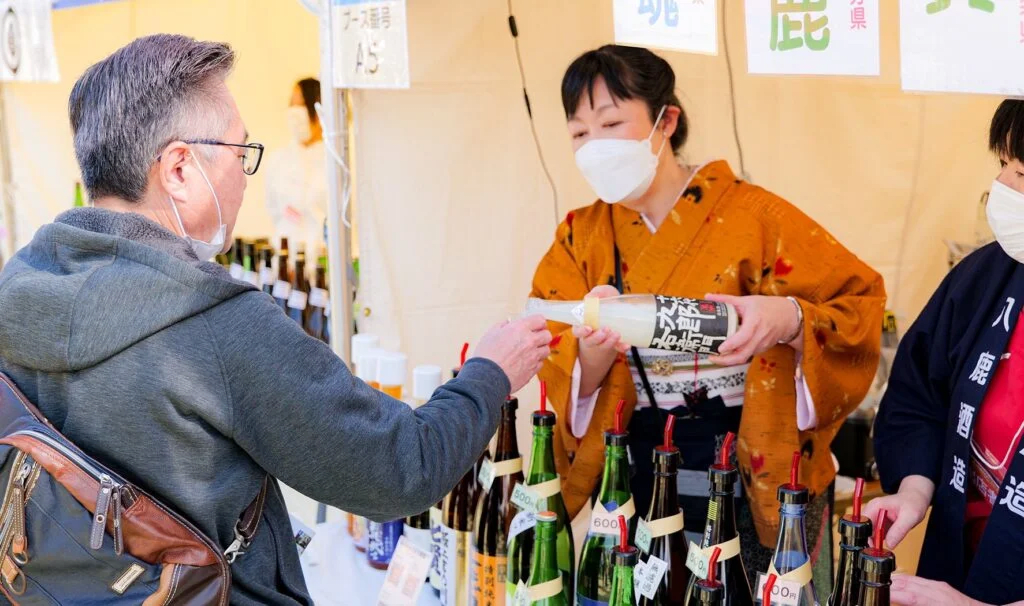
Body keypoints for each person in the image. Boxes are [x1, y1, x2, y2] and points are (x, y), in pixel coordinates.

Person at [0, 35, 551, 605]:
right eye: (242, 153)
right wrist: (491, 372)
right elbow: (399, 468)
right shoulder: (215, 323)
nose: (246, 175)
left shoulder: (18, 285)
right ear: (180, 169)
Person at [530, 45, 885, 588]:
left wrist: (789, 318)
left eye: (611, 123)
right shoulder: (581, 237)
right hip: (641, 459)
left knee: (753, 589)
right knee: (647, 587)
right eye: (579, 134)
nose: (594, 146)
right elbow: (555, 356)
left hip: (749, 453)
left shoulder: (754, 216)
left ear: (665, 121)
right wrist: (594, 352)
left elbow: (857, 301)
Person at [867, 100, 1024, 606]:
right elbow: (919, 394)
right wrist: (915, 489)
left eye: (1020, 172)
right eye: (1001, 166)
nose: (1003, 188)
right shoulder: (986, 277)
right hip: (959, 568)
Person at [264, 77, 327, 253]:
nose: (295, 112)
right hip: (286, 254)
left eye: (302, 104)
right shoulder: (278, 160)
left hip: (324, 255)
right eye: (292, 103)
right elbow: (273, 210)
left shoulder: (334, 162)